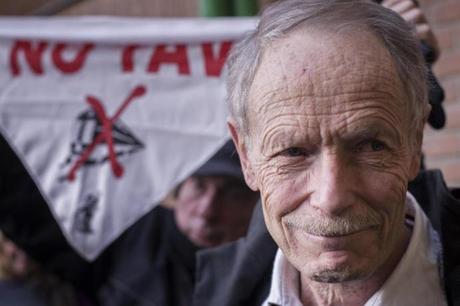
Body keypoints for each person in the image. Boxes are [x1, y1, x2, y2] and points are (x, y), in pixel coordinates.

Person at [192, 1, 460, 305]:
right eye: (293, 152)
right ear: (246, 157)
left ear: (414, 143)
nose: (331, 199)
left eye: (371, 146)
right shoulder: (198, 290)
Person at [0, 140, 258, 306]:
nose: (207, 210)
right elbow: (25, 207)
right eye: (199, 187)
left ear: (257, 204)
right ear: (178, 190)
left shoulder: (276, 266)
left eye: (232, 193)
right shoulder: (124, 232)